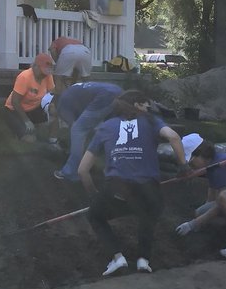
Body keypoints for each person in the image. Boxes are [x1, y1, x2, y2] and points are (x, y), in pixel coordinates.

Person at [78, 90, 187, 277]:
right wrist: (183, 166)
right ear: (136, 105)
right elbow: (174, 137)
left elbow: (82, 170)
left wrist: (94, 195)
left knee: (95, 216)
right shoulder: (151, 121)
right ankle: (143, 260)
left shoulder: (105, 127)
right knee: (147, 215)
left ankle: (117, 258)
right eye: (146, 104)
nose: (148, 108)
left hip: (117, 189)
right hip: (148, 190)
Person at [51, 81, 123, 181]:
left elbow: (75, 126)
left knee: (77, 130)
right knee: (108, 130)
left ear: (52, 104)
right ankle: (113, 168)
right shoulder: (71, 93)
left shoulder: (61, 105)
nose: (51, 115)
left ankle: (71, 171)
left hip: (104, 96)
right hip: (117, 91)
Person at [4, 52, 56, 140]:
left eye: (47, 71)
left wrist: (51, 107)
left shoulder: (47, 76)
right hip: (15, 110)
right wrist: (26, 120)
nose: (44, 75)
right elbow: (15, 102)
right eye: (43, 71)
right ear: (35, 66)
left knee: (52, 119)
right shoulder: (24, 77)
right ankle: (18, 131)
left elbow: (51, 94)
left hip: (34, 108)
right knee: (30, 139)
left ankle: (53, 141)